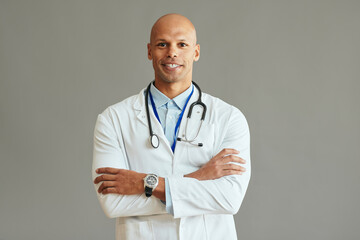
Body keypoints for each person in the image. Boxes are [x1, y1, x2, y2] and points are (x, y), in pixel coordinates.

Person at [92, 13, 251, 240]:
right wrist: (200, 178)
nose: (172, 52)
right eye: (162, 44)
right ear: (149, 51)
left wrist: (144, 183)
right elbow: (113, 202)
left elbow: (229, 198)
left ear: (196, 52)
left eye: (182, 44)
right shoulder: (113, 119)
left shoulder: (229, 118)